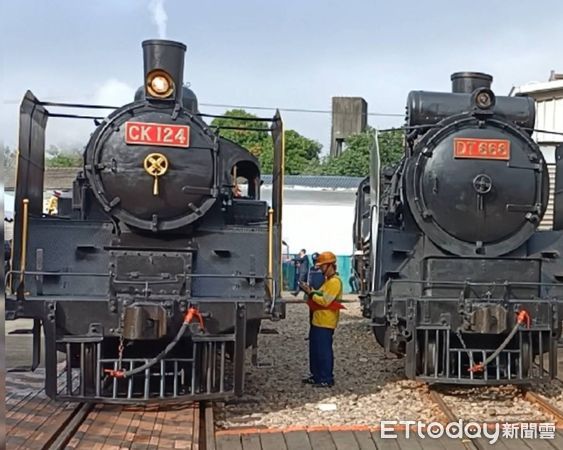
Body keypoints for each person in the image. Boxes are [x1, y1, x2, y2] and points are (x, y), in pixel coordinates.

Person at [299, 251, 344, 388]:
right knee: (315, 351)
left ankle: (326, 378)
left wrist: (310, 293)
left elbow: (325, 300)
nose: (320, 269)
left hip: (326, 322)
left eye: (322, 266)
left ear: (330, 265)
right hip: (318, 321)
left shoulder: (335, 282)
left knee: (324, 351)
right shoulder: (328, 282)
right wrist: (311, 291)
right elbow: (320, 294)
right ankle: (316, 376)